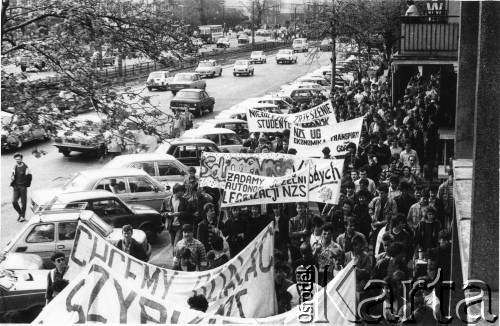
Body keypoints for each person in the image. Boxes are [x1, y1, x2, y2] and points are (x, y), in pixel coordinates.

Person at [160, 183, 192, 249]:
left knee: (176, 245)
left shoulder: (184, 201)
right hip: (171, 226)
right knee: (173, 244)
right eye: (180, 191)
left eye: (182, 191)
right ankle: (176, 256)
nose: (182, 193)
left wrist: (179, 214)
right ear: (175, 191)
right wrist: (167, 214)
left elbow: (188, 213)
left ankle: (176, 258)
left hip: (180, 226)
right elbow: (162, 212)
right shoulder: (166, 200)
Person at [11, 153, 32, 222]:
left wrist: (26, 186)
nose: (17, 160)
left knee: (23, 203)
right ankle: (20, 213)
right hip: (16, 187)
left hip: (23, 187)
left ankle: (23, 216)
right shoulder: (14, 166)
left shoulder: (26, 167)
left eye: (19, 159)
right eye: (16, 159)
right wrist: (12, 178)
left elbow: (29, 177)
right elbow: (12, 174)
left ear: (21, 159)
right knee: (14, 202)